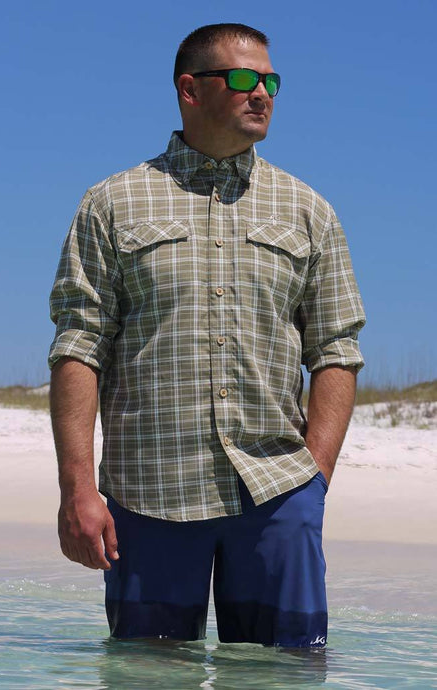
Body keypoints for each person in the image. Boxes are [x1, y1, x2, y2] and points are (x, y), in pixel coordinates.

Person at [49, 23, 365, 647]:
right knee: (147, 678)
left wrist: (315, 476)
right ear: (189, 90)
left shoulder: (310, 210)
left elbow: (336, 348)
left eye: (271, 81)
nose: (262, 93)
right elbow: (78, 347)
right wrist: (76, 488)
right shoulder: (111, 203)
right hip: (149, 493)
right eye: (244, 78)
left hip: (277, 491)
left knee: (286, 675)